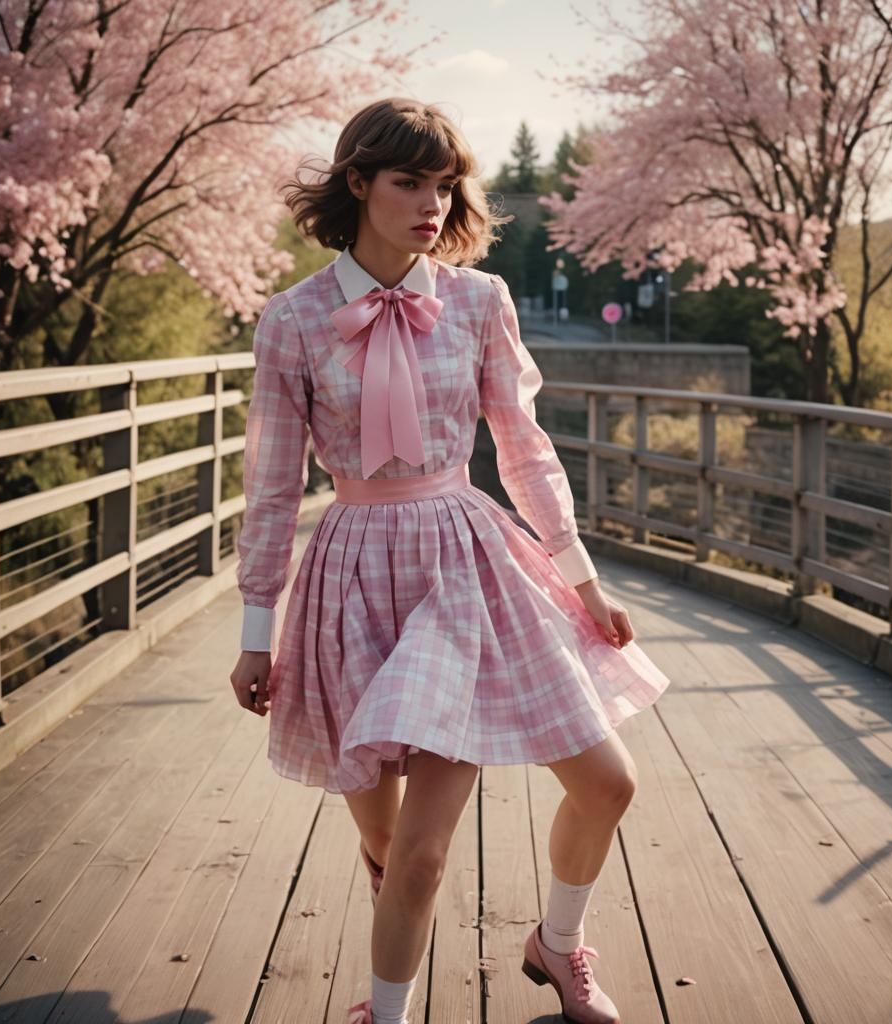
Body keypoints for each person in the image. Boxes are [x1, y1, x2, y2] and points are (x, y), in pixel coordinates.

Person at [228, 97, 671, 1024]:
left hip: (467, 568)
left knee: (608, 783)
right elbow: (269, 486)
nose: (432, 203)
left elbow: (523, 448)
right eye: (409, 182)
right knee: (400, 848)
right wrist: (256, 632)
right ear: (359, 183)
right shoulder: (293, 320)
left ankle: (557, 943)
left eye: (444, 185)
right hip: (353, 579)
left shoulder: (478, 301)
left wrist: (584, 581)